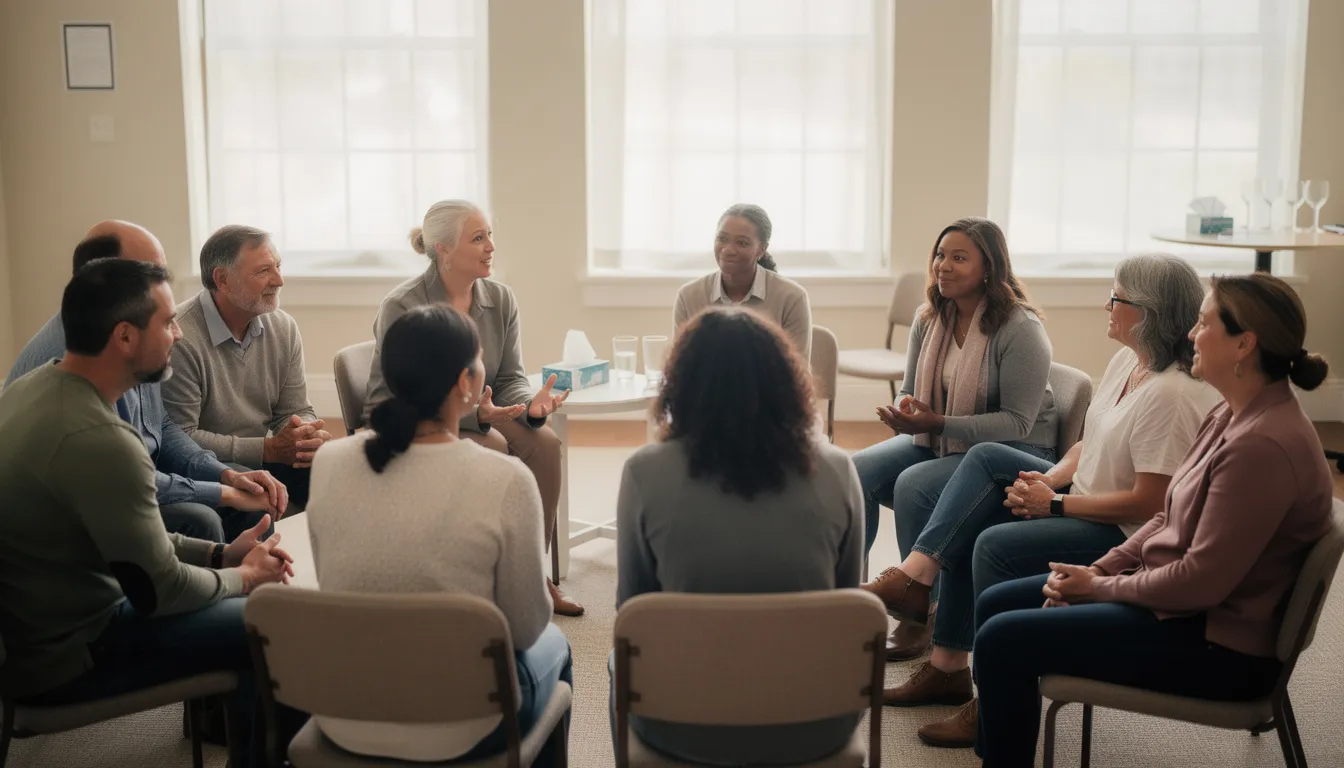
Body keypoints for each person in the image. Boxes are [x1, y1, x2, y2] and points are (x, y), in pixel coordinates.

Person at [971, 273, 1335, 767]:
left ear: (1243, 344)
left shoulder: (1263, 446)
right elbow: (1168, 513)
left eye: (1204, 324)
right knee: (995, 603)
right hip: (1178, 608)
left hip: (1217, 647)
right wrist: (1103, 567)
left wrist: (1098, 589)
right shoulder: (1232, 414)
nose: (1190, 334)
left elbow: (1199, 585)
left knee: (1001, 640)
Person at [896, 254, 1222, 747]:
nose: (1106, 305)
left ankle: (987, 700)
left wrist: (1054, 505)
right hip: (1083, 495)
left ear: (1149, 312)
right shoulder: (1127, 361)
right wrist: (1050, 480)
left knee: (991, 544)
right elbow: (1087, 440)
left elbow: (1150, 504)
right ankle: (925, 603)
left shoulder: (1172, 394)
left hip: (1121, 531)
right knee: (985, 462)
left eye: (1116, 297)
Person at [0, 259, 304, 768]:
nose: (180, 335)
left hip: (51, 622)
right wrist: (244, 577)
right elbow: (160, 588)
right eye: (167, 323)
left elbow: (125, 534)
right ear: (124, 337)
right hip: (68, 655)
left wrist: (221, 553)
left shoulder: (31, 392)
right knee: (275, 622)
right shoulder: (99, 439)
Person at [307, 304, 570, 764]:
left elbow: (332, 577)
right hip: (462, 723)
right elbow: (526, 628)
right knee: (558, 646)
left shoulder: (329, 462)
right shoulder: (506, 479)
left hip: (345, 712)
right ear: (466, 384)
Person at [612, 307, 864, 765]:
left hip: (681, 723)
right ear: (787, 382)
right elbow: (846, 599)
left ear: (681, 384)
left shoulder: (645, 472)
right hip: (814, 721)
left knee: (622, 661)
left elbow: (632, 609)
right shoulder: (837, 469)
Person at [362, 199, 581, 617]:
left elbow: (510, 374)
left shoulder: (500, 298)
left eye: (490, 235)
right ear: (442, 249)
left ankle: (533, 575)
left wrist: (530, 406)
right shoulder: (403, 305)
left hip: (486, 410)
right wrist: (473, 417)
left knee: (546, 444)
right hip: (425, 421)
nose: (490, 247)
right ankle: (486, 579)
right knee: (492, 446)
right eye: (478, 238)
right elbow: (383, 398)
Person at [4, 221, 284, 541]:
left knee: (246, 487)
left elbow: (161, 428)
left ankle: (248, 586)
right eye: (151, 274)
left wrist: (224, 474)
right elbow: (121, 480)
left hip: (137, 479)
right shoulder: (76, 358)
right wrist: (220, 492)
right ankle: (224, 587)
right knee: (200, 519)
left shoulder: (139, 330)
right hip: (89, 510)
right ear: (103, 281)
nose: (162, 287)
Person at [855, 217, 1055, 654]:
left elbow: (1018, 423)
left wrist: (937, 424)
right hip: (941, 437)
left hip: (1014, 449)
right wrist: (906, 409)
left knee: (913, 486)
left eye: (959, 257)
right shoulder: (930, 317)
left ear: (990, 267)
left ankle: (919, 609)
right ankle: (856, 599)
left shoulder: (1020, 328)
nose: (943, 266)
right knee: (855, 471)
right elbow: (910, 387)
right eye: (941, 255)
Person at [162, 225, 331, 510]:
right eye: (263, 271)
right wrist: (268, 449)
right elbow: (182, 437)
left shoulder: (283, 327)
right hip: (209, 467)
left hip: (264, 459)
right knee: (256, 494)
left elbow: (293, 408)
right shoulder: (179, 337)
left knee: (330, 472)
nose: (279, 280)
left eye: (278, 266)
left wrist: (306, 435)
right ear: (223, 280)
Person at [673, 203, 812, 361]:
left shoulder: (792, 297)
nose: (728, 250)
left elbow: (797, 375)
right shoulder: (688, 297)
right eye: (722, 239)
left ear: (761, 250)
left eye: (742, 243)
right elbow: (681, 369)